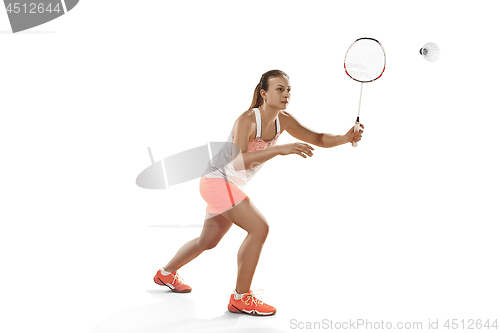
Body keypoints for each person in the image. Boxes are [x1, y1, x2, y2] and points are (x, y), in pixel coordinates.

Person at [153, 69, 364, 316]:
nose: (286, 94)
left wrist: (346, 137)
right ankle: (241, 297)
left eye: (288, 90)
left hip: (227, 186)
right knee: (259, 228)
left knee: (207, 242)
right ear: (264, 93)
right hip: (216, 180)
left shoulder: (282, 120)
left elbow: (317, 137)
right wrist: (279, 150)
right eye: (279, 89)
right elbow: (239, 161)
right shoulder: (247, 120)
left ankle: (165, 274)